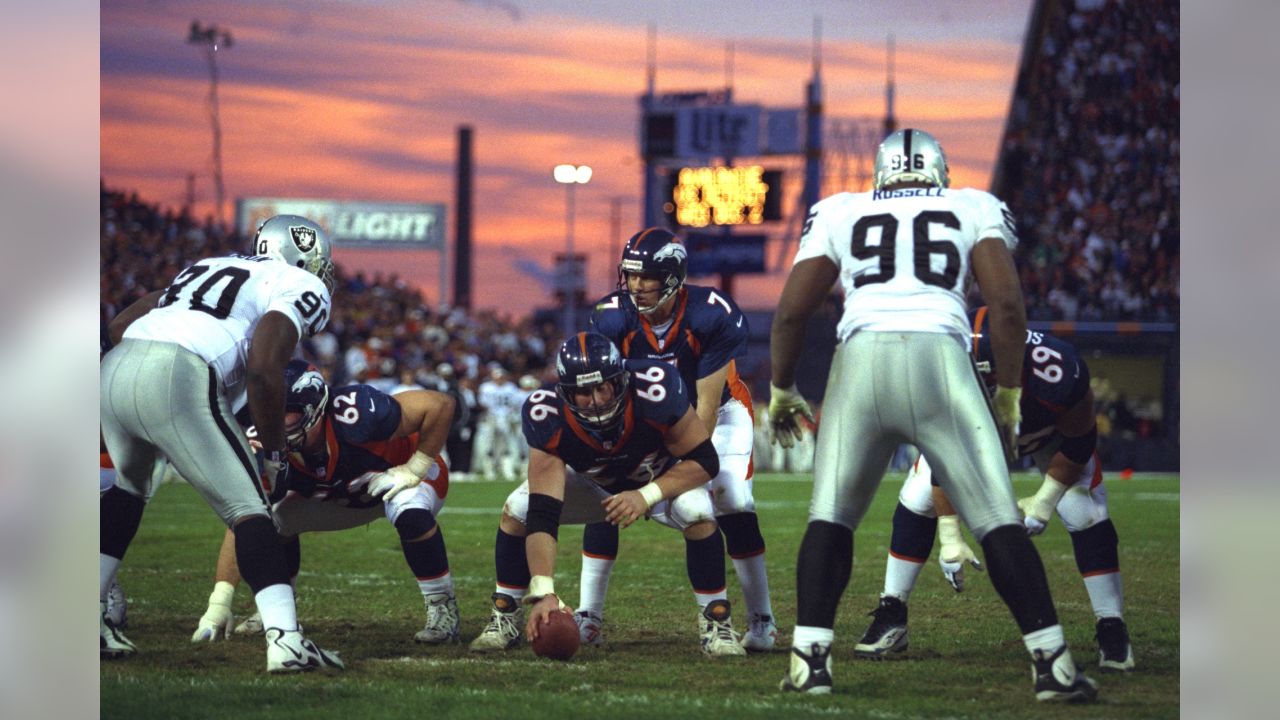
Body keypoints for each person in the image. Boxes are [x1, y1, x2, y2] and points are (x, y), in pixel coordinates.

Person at [768, 129, 1097, 701]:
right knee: (997, 519)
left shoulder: (841, 210)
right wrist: (1011, 390)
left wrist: (781, 388)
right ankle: (1052, 664)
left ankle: (809, 661)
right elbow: (1009, 305)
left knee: (831, 518)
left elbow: (793, 312)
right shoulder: (971, 204)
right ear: (939, 170)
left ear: (879, 171)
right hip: (941, 359)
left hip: (860, 361)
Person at [100, 214, 345, 673]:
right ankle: (287, 641)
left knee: (128, 490)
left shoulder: (209, 265)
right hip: (176, 371)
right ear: (302, 256)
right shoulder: (295, 281)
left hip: (116, 368)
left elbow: (120, 326)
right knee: (252, 509)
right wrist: (273, 452)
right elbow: (263, 367)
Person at [854, 309, 1133, 672]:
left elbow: (1081, 440)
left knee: (1084, 509)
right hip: (976, 437)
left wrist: (1045, 500)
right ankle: (892, 613)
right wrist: (950, 534)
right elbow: (942, 459)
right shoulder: (936, 377)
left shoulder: (1058, 371)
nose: (978, 386)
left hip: (1049, 437)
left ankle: (1111, 625)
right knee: (918, 496)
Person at [468, 332, 745, 657]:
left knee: (698, 511)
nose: (596, 400)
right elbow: (544, 511)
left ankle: (716, 621)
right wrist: (544, 590)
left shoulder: (655, 388)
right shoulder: (545, 412)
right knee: (519, 509)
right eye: (583, 392)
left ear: (620, 381)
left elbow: (704, 460)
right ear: (565, 392)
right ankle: (505, 614)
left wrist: (646, 495)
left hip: (658, 480)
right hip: (595, 486)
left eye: (602, 387)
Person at [576, 227, 775, 651]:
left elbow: (703, 408)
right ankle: (588, 616)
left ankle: (762, 620)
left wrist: (664, 474)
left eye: (647, 276)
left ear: (672, 277)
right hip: (647, 419)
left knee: (733, 500)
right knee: (602, 492)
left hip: (718, 414)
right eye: (630, 275)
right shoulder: (612, 317)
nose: (636, 285)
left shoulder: (710, 314)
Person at [190, 360, 460, 645]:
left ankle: (442, 608)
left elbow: (440, 404)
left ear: (314, 409)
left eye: (286, 414)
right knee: (271, 518)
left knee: (408, 510)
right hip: (344, 495)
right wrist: (219, 602)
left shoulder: (356, 412)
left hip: (401, 476)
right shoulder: (264, 446)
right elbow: (242, 522)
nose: (274, 423)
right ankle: (279, 608)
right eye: (268, 412)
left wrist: (415, 467)